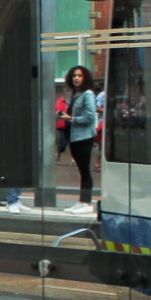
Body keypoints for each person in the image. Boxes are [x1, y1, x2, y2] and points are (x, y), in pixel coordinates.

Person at [60, 65, 99, 214]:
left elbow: (90, 116)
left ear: (85, 78)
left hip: (83, 137)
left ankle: (87, 203)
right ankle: (82, 201)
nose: (76, 78)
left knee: (85, 170)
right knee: (82, 171)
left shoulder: (87, 94)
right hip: (74, 137)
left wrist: (72, 118)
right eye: (74, 76)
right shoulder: (75, 95)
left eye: (80, 76)